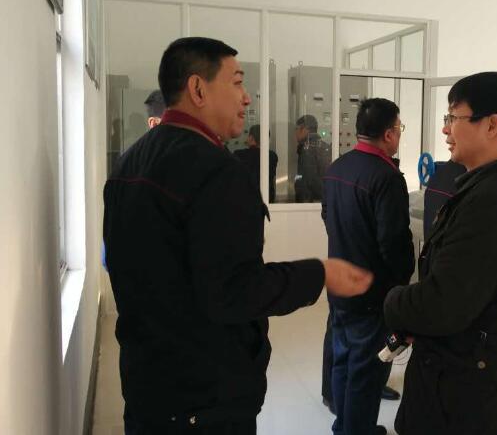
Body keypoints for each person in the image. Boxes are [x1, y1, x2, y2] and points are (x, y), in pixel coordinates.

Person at [103, 37, 372, 435]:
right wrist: (320, 273)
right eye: (237, 82)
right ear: (198, 89)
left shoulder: (129, 162)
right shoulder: (216, 171)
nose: (246, 98)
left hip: (148, 384)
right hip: (204, 399)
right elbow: (234, 293)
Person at [383, 72, 497, 435]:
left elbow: (442, 304)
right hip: (480, 383)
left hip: (471, 399)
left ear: (491, 125)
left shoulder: (493, 200)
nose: (446, 129)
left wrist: (394, 301)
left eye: (453, 117)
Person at [321, 98, 415, 435]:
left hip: (338, 282)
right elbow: (393, 241)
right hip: (371, 292)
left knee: (342, 359)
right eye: (399, 129)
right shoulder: (386, 177)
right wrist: (401, 287)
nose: (399, 135)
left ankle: (343, 425)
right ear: (389, 134)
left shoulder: (338, 167)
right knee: (366, 370)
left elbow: (327, 216)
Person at [233, 124, 279, 203]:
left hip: (246, 200)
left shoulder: (239, 155)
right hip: (267, 200)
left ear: (251, 138)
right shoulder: (272, 156)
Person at [295, 114, 331, 202]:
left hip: (311, 201)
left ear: (305, 129)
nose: (295, 133)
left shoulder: (307, 149)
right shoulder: (325, 146)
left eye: (297, 129)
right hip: (323, 199)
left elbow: (309, 179)